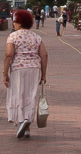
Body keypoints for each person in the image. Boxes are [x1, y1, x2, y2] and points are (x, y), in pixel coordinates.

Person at [4, 9, 48, 138]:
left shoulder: (13, 36)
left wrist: (4, 72)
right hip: (34, 69)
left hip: (18, 69)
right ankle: (27, 125)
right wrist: (44, 74)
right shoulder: (36, 37)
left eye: (14, 22)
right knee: (30, 95)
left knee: (19, 93)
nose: (13, 24)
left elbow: (8, 54)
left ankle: (22, 120)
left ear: (19, 22)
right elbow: (44, 55)